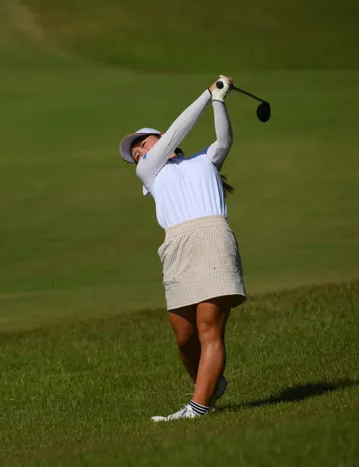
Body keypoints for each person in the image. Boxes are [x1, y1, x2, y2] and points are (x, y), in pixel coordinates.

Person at [118, 76, 246, 422]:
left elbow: (224, 140)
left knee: (208, 327)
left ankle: (197, 408)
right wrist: (207, 95)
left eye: (142, 144)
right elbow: (176, 132)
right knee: (184, 337)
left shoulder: (205, 160)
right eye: (135, 154)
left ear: (158, 138)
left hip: (213, 236)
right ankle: (212, 385)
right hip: (176, 245)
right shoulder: (149, 171)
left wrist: (218, 101)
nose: (139, 153)